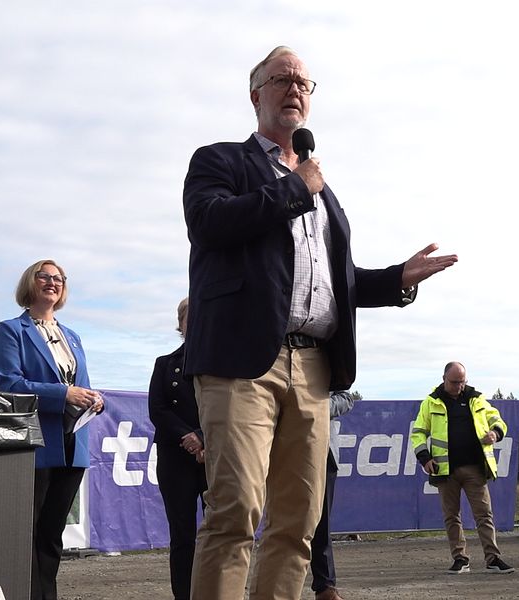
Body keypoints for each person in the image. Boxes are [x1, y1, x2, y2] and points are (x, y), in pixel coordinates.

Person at [182, 45, 458, 600]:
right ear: (255, 94)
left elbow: (337, 281)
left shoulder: (322, 192)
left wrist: (397, 277)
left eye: (305, 83)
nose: (295, 89)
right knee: (235, 510)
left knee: (298, 519)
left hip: (313, 367)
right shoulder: (221, 161)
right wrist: (293, 186)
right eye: (281, 79)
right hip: (242, 363)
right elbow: (209, 223)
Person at [0, 259, 104, 600]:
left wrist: (92, 398)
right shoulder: (10, 330)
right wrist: (64, 394)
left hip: (73, 444)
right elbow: (8, 383)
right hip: (36, 444)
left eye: (58, 278)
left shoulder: (72, 336)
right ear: (31, 282)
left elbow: (77, 381)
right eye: (45, 276)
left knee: (52, 535)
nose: (52, 282)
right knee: (28, 534)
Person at [411, 362, 514, 574]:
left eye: (462, 381)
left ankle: (493, 559)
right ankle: (460, 559)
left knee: (484, 514)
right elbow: (418, 432)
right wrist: (424, 458)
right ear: (444, 378)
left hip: (475, 468)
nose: (458, 386)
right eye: (454, 382)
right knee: (451, 516)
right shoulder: (431, 402)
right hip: (444, 470)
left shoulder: (477, 399)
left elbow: (498, 421)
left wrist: (495, 433)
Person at [148, 298, 207, 600]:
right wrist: (188, 436)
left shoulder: (226, 363)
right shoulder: (164, 364)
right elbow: (157, 410)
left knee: (220, 533)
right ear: (180, 323)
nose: (194, 322)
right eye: (188, 317)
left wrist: (203, 436)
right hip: (175, 458)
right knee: (182, 535)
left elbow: (234, 409)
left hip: (217, 455)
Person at [310, 390, 355, 600]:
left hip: (323, 453)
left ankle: (325, 587)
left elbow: (346, 398)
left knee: (322, 524)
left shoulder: (326, 359)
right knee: (281, 522)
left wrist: (318, 408)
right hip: (280, 449)